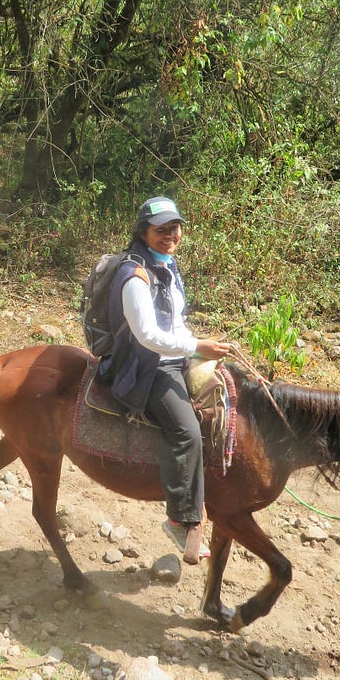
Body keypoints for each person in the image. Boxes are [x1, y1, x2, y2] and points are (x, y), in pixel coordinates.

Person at [100, 196, 231, 564]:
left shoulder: (166, 265)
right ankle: (179, 518)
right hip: (147, 365)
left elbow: (173, 323)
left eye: (175, 228)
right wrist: (196, 346)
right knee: (187, 431)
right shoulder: (135, 276)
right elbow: (147, 336)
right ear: (143, 232)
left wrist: (198, 345)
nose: (170, 235)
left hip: (174, 354)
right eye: (161, 230)